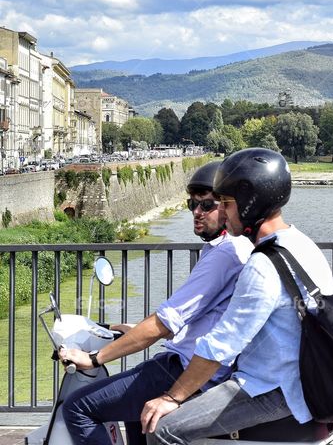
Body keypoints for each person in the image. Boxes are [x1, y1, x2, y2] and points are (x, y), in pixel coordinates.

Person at [140, 147, 333, 444]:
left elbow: (223, 344)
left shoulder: (263, 264)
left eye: (227, 203)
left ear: (250, 203)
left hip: (270, 389)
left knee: (162, 427)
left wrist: (171, 397)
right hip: (304, 380)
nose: (223, 211)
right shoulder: (301, 244)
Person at [60, 161, 253, 445]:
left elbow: (165, 322)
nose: (197, 213)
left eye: (207, 205)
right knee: (133, 409)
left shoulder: (226, 254)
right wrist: (130, 328)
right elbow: (198, 315)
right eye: (193, 205)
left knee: (78, 407)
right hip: (184, 361)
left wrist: (92, 359)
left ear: (228, 207)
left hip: (185, 368)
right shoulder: (223, 249)